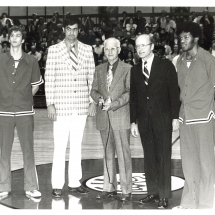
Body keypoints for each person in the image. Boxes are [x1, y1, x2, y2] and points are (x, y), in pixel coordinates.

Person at [45, 15, 96, 198]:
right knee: (60, 146)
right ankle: (57, 184)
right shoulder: (53, 50)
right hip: (61, 106)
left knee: (76, 145)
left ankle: (74, 183)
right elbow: (49, 78)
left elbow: (92, 78)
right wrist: (50, 103)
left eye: (75, 29)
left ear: (79, 30)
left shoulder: (87, 50)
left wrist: (92, 102)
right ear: (63, 30)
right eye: (69, 29)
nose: (72, 33)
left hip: (81, 106)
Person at [130, 34, 180, 209]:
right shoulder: (135, 70)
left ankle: (164, 195)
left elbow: (174, 92)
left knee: (163, 157)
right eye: (138, 46)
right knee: (149, 157)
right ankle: (152, 192)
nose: (141, 49)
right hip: (144, 121)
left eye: (144, 45)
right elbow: (134, 98)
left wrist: (175, 117)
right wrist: (133, 122)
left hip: (163, 119)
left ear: (152, 46)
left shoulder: (166, 65)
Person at [173, 21, 215, 209]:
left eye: (186, 36)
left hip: (204, 117)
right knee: (188, 163)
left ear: (196, 38)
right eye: (180, 37)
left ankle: (206, 203)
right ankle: (190, 201)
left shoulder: (208, 60)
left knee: (206, 162)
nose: (182, 40)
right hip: (185, 117)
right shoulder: (179, 60)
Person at [0, 25, 43, 199]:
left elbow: (35, 85)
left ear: (23, 40)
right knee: (3, 151)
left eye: (18, 35)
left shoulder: (31, 61)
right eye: (13, 35)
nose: (15, 38)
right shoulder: (0, 60)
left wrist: (23, 97)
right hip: (4, 112)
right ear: (9, 39)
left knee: (28, 150)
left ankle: (31, 187)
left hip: (25, 112)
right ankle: (3, 186)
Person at [91, 37, 132, 201]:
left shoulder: (128, 68)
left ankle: (126, 190)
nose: (109, 52)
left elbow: (129, 92)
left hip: (121, 116)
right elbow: (93, 90)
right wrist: (99, 99)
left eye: (113, 49)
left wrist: (114, 103)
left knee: (123, 154)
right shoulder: (99, 69)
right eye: (106, 49)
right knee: (107, 154)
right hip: (104, 117)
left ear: (119, 50)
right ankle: (109, 187)